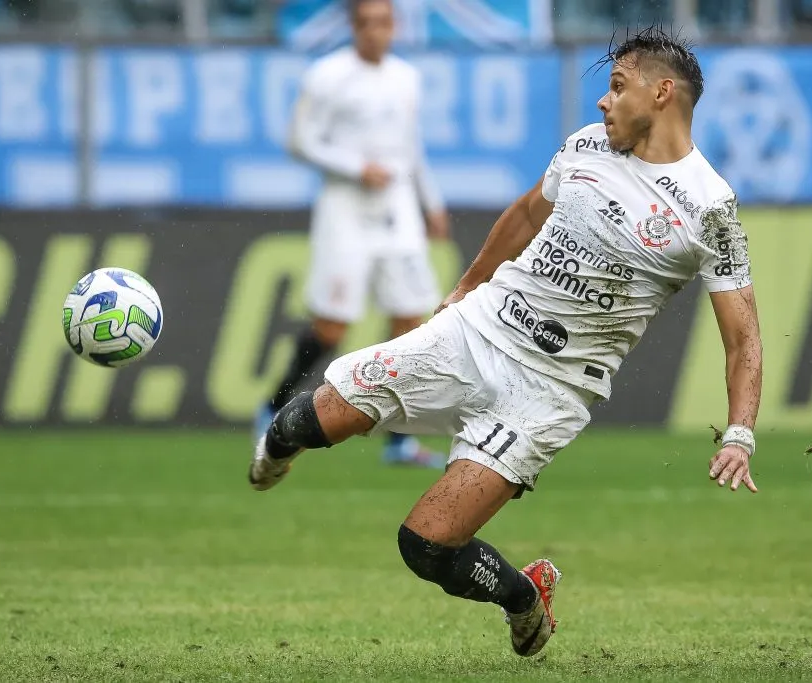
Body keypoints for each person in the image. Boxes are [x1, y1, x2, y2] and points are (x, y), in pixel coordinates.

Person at [249, 26, 763, 657]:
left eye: (616, 86)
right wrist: (466, 285)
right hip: (473, 333)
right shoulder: (586, 145)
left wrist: (739, 433)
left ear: (662, 93)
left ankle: (523, 596)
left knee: (427, 546)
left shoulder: (710, 207)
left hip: (547, 392)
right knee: (303, 419)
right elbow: (526, 214)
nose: (603, 101)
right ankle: (274, 446)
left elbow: (742, 336)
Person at [254, 0, 451, 468]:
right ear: (353, 26)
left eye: (383, 23)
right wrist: (357, 168)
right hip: (344, 209)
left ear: (394, 25)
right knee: (332, 326)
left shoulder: (406, 77)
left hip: (397, 207)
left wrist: (431, 201)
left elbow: (411, 145)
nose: (375, 32)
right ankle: (271, 406)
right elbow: (300, 141)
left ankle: (399, 438)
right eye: (366, 23)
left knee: (409, 322)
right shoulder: (326, 75)